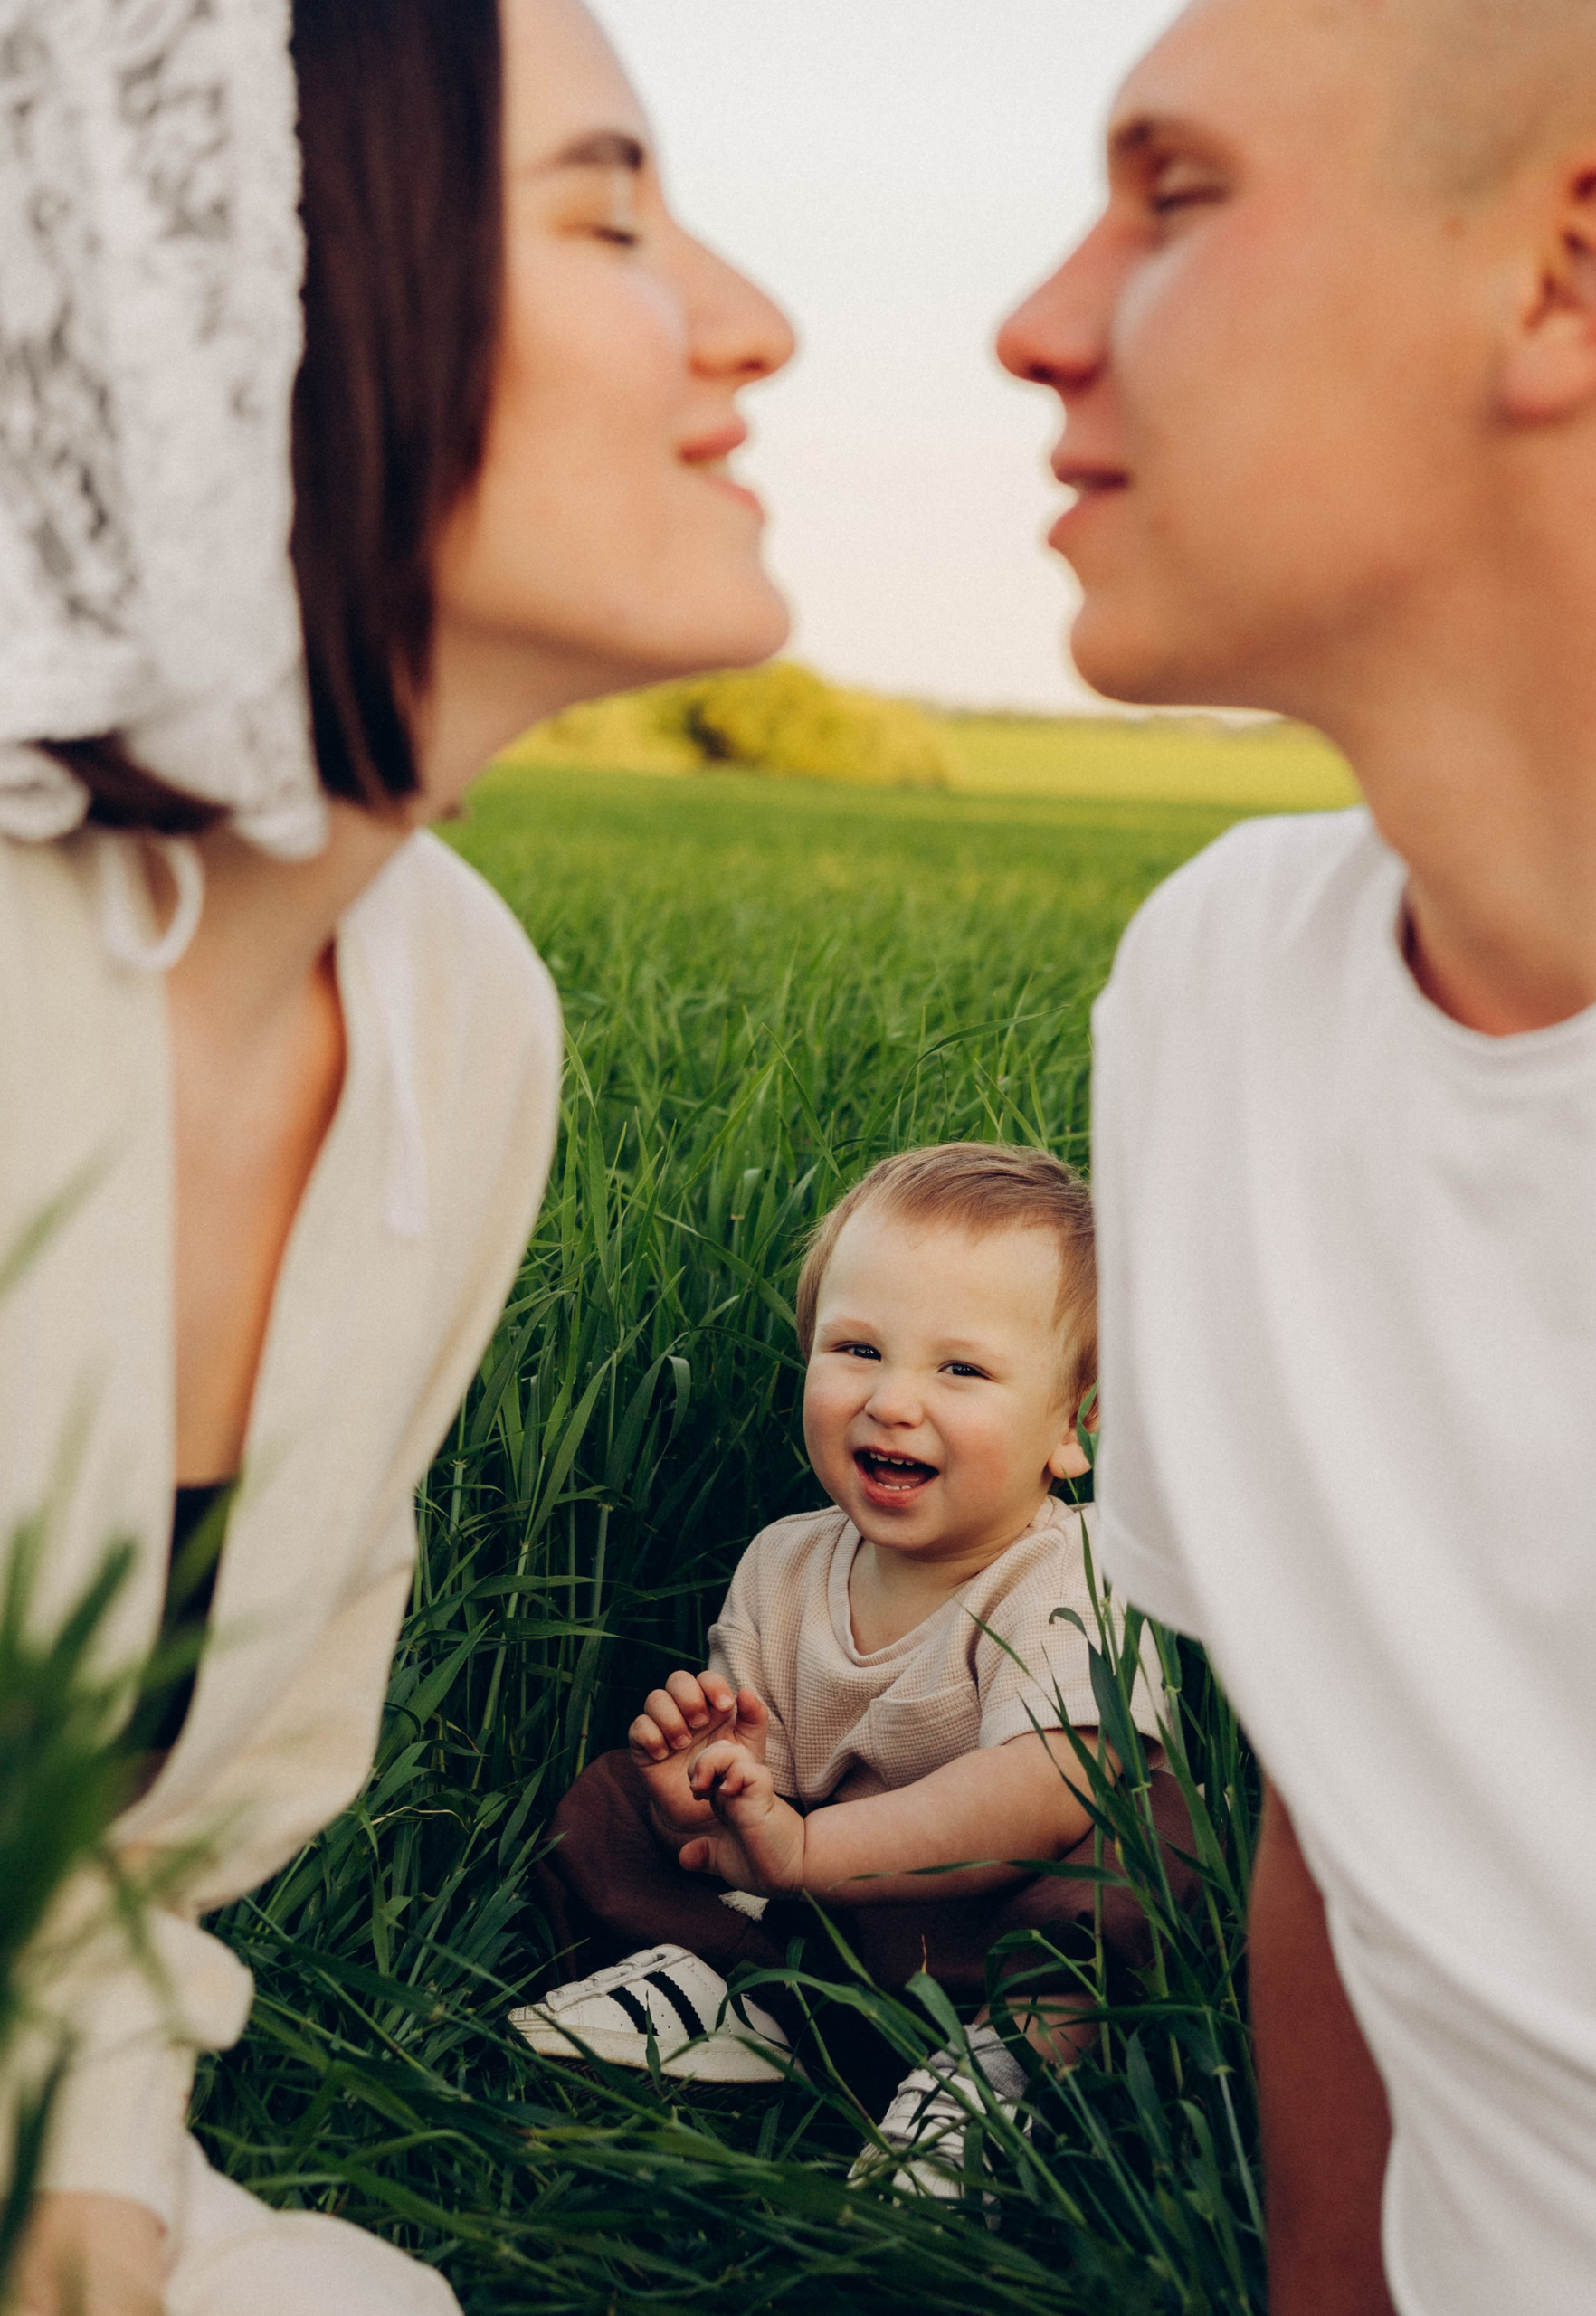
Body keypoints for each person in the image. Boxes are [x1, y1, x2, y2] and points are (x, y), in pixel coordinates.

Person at [0, 2, 794, 2311]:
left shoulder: (458, 1010)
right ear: (238, 295)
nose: (752, 318)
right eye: (610, 218)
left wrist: (89, 2198)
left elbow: (109, 1889)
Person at [997, 0, 1596, 2310]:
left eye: (1176, 196)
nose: (1037, 324)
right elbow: (1347, 1830)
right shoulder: (1220, 986)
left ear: (1566, 275)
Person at [519, 1144, 1194, 2173]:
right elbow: (762, 1804)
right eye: (858, 1348)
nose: (892, 1401)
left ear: (1076, 1422)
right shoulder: (783, 1562)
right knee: (611, 1800)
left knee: (1145, 1858)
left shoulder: (1077, 1568)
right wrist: (705, 1796)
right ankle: (745, 2000)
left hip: (991, 1923)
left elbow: (1051, 1786)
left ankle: (1013, 2065)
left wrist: (808, 1852)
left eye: (960, 1368)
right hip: (829, 1917)